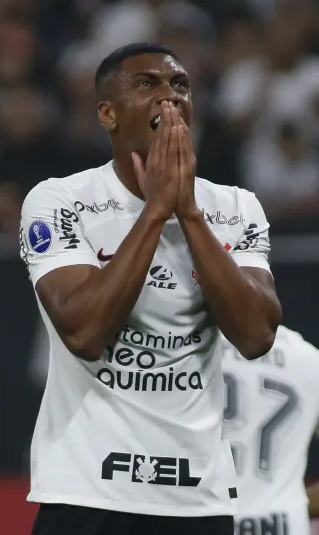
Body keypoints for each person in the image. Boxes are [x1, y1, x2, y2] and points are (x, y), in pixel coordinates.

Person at [18, 42, 282, 535]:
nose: (170, 96)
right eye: (147, 84)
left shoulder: (236, 208)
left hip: (197, 501)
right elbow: (84, 333)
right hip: (86, 493)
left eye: (180, 85)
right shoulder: (60, 200)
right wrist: (156, 211)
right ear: (108, 114)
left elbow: (256, 336)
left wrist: (188, 213)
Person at [222, 326, 319, 535]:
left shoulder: (181, 351)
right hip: (282, 526)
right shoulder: (310, 359)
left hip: (199, 523)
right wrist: (295, 507)